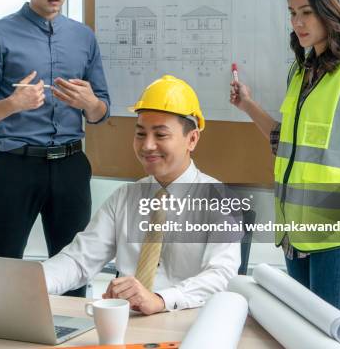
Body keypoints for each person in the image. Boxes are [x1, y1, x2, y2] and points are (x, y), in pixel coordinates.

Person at [230, 0, 340, 319]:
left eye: (306, 12)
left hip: (338, 242)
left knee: (330, 340)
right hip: (295, 235)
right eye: (292, 12)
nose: (297, 22)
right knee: (301, 337)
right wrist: (248, 106)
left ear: (334, 9)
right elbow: (287, 143)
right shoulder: (302, 72)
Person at [0, 0, 110, 297]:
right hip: (16, 167)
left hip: (72, 167)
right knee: (1, 269)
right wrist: (11, 104)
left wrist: (90, 102)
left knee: (74, 273)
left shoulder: (84, 37)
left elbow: (102, 111)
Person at [43, 75, 241, 315]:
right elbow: (78, 260)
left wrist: (160, 299)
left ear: (192, 139)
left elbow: (221, 277)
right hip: (130, 322)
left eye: (160, 135)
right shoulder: (125, 198)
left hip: (189, 323)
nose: (147, 146)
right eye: (140, 134)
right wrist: (32, 283)